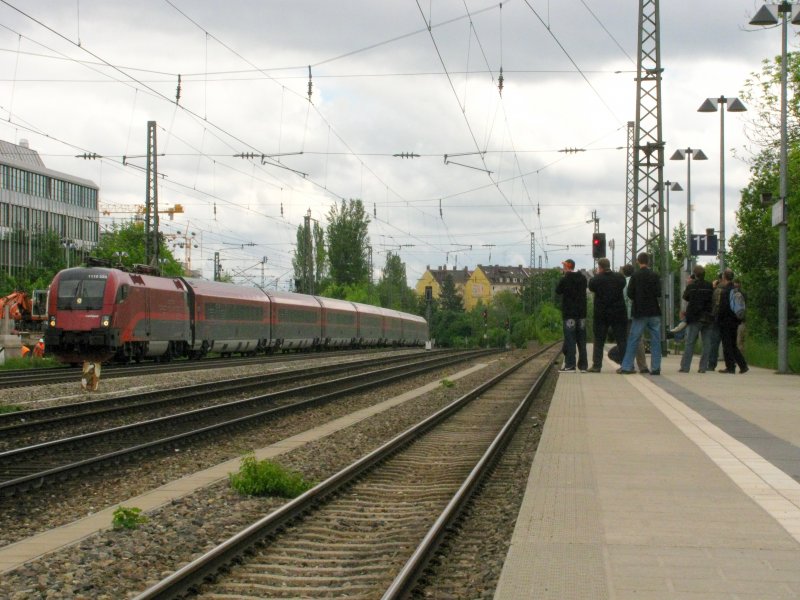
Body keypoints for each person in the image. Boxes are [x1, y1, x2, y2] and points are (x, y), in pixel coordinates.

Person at [618, 252, 662, 375]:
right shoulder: (655, 275)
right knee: (656, 340)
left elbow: (630, 294)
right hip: (654, 311)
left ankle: (626, 367)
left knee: (633, 339)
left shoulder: (635, 276)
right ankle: (656, 367)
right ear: (648, 262)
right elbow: (658, 293)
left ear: (638, 261)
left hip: (639, 312)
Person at [587, 257, 627, 372]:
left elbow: (591, 287)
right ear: (609, 266)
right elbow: (623, 285)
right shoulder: (620, 278)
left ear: (600, 267)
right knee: (621, 339)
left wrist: (598, 275)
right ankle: (625, 364)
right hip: (618, 313)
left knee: (599, 340)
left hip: (601, 314)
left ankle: (597, 365)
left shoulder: (596, 279)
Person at [678, 265, 714, 373]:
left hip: (694, 318)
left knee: (690, 342)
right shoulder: (709, 286)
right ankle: (702, 367)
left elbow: (685, 297)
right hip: (707, 317)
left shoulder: (692, 286)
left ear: (695, 275)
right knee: (707, 343)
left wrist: (689, 284)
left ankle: (685, 367)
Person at [555, 258, 588, 372]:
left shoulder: (565, 279)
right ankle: (583, 366)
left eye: (564, 266)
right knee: (582, 340)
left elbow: (558, 291)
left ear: (568, 267)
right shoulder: (583, 278)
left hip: (569, 314)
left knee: (570, 339)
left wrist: (563, 276)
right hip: (582, 314)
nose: (563, 268)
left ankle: (570, 365)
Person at [717, 268, 748, 374]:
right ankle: (743, 365)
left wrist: (718, 319)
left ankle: (730, 366)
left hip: (726, 321)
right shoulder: (736, 290)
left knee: (727, 345)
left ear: (724, 277)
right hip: (735, 321)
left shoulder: (725, 291)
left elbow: (723, 308)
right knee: (733, 344)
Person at [621, 264, 649, 373]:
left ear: (624, 272)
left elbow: (623, 299)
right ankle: (642, 365)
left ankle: (629, 365)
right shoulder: (637, 282)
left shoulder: (623, 283)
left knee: (628, 340)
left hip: (626, 315)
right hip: (637, 313)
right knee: (639, 339)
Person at [706, 277, 723, 371]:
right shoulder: (732, 289)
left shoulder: (717, 291)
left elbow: (712, 303)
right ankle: (736, 364)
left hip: (716, 319)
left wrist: (713, 287)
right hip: (728, 319)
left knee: (714, 343)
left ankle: (711, 364)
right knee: (729, 343)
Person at [734, 278, 746, 354]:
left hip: (740, 321)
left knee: (739, 341)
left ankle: (740, 357)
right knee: (737, 341)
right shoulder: (732, 294)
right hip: (737, 320)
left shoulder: (742, 294)